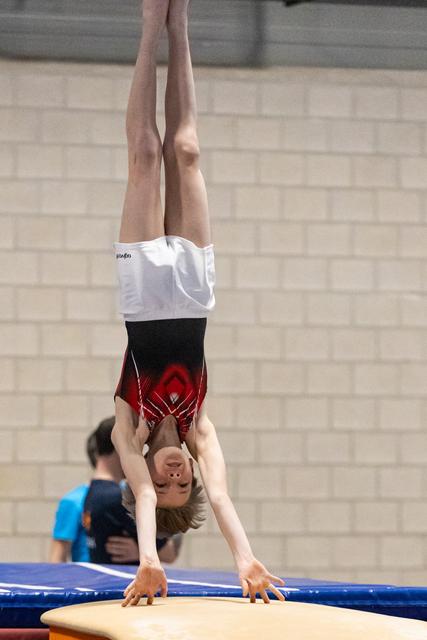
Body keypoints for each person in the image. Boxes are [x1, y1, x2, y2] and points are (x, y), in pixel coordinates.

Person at [111, 0, 285, 607]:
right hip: (192, 293)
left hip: (142, 297)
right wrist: (245, 557)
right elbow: (225, 494)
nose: (179, 475)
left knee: (144, 154)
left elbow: (148, 499)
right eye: (186, 481)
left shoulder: (127, 433)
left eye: (170, 482)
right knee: (185, 150)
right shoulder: (198, 428)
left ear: (151, 483)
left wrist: (151, 558)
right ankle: (178, 21)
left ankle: (147, 26)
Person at [83, 417, 181, 564]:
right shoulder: (117, 498)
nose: (139, 456)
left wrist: (139, 550)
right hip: (122, 584)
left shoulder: (94, 492)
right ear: (120, 445)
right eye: (136, 447)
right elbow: (170, 553)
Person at [49, 432, 97, 563]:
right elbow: (57, 557)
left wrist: (136, 551)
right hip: (89, 580)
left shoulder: (135, 497)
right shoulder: (74, 501)